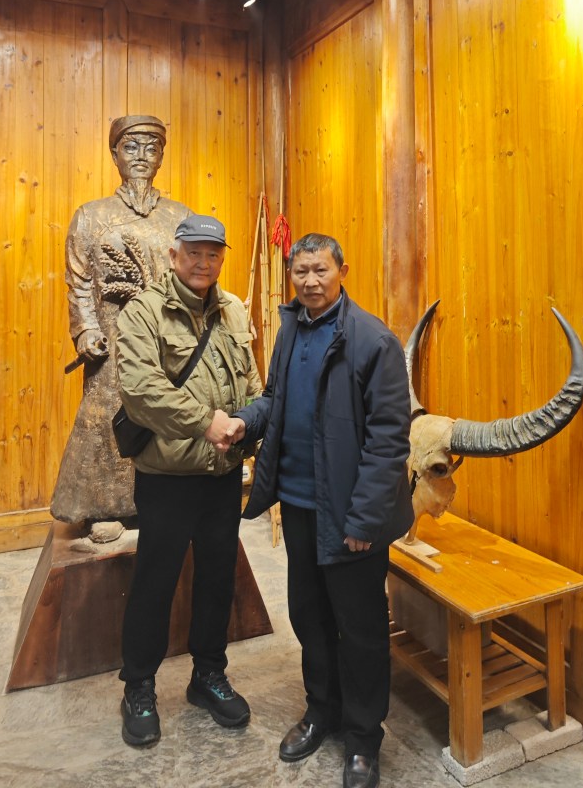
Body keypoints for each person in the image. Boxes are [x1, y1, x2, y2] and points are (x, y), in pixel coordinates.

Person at [224, 233, 413, 788]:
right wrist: (244, 421)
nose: (309, 281)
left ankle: (363, 739)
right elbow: (275, 400)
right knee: (310, 617)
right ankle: (321, 710)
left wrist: (365, 521)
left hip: (352, 517)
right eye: (300, 271)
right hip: (301, 506)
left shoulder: (373, 340)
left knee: (361, 630)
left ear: (342, 271)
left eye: (320, 270)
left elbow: (388, 440)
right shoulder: (290, 330)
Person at [114, 214, 262, 747]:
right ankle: (138, 687)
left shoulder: (234, 309)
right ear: (174, 256)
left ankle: (208, 675)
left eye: (213, 254)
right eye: (194, 252)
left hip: (222, 475)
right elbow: (140, 390)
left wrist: (247, 422)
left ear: (222, 258)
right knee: (155, 582)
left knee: (218, 578)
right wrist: (206, 422)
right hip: (168, 477)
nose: (204, 262)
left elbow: (251, 380)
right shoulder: (143, 313)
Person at [51, 115, 192, 541]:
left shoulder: (180, 216)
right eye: (131, 147)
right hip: (113, 340)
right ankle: (103, 506)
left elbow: (193, 276)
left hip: (169, 337)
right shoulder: (92, 216)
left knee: (167, 415)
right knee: (108, 415)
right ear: (114, 154)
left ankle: (162, 502)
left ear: (162, 156)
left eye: (151, 147)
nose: (141, 156)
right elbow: (78, 281)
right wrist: (86, 331)